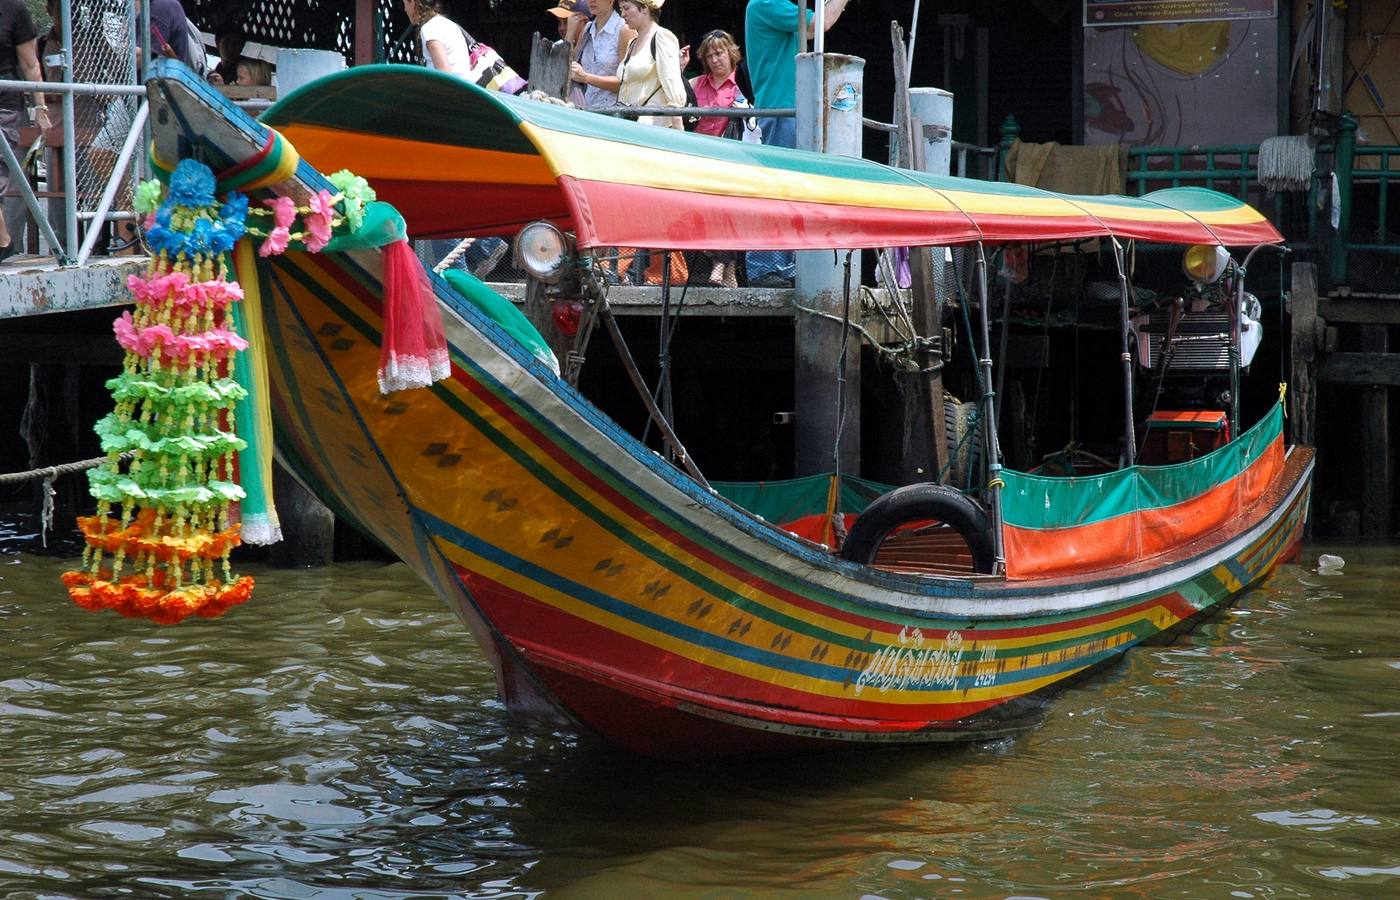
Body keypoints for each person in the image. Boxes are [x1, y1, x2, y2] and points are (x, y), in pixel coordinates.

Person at [744, 0, 850, 285]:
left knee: (789, 190)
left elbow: (813, 30)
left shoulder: (776, 8)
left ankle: (782, 266)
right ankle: (765, 267)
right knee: (779, 189)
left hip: (789, 110)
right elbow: (820, 25)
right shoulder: (766, 3)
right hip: (782, 110)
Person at [689, 30, 747, 286]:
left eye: (719, 53)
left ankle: (721, 264)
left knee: (729, 213)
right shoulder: (696, 84)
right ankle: (727, 269)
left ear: (731, 53)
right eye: (709, 55)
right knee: (707, 214)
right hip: (699, 158)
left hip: (731, 160)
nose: (714, 59)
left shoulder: (743, 84)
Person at [0, 0, 48, 262]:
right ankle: (4, 240)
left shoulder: (14, 10)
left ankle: (4, 240)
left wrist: (40, 107)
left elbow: (31, 65)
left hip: (4, 105)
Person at [403, 0, 526, 95]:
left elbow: (445, 76)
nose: (404, 9)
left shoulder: (429, 29)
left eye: (405, 4)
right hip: (467, 92)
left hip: (454, 97)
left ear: (413, 2)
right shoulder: (448, 24)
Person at [615, 0, 685, 129]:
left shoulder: (662, 37)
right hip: (629, 122)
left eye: (626, 8)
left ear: (645, 9)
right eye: (621, 10)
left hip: (653, 124)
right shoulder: (632, 42)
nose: (623, 14)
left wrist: (677, 123)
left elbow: (671, 81)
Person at [568, 0, 635, 110]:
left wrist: (586, 77)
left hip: (612, 113)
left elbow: (626, 83)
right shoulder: (588, 28)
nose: (591, 1)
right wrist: (569, 35)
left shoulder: (624, 29)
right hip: (585, 109)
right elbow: (566, 66)